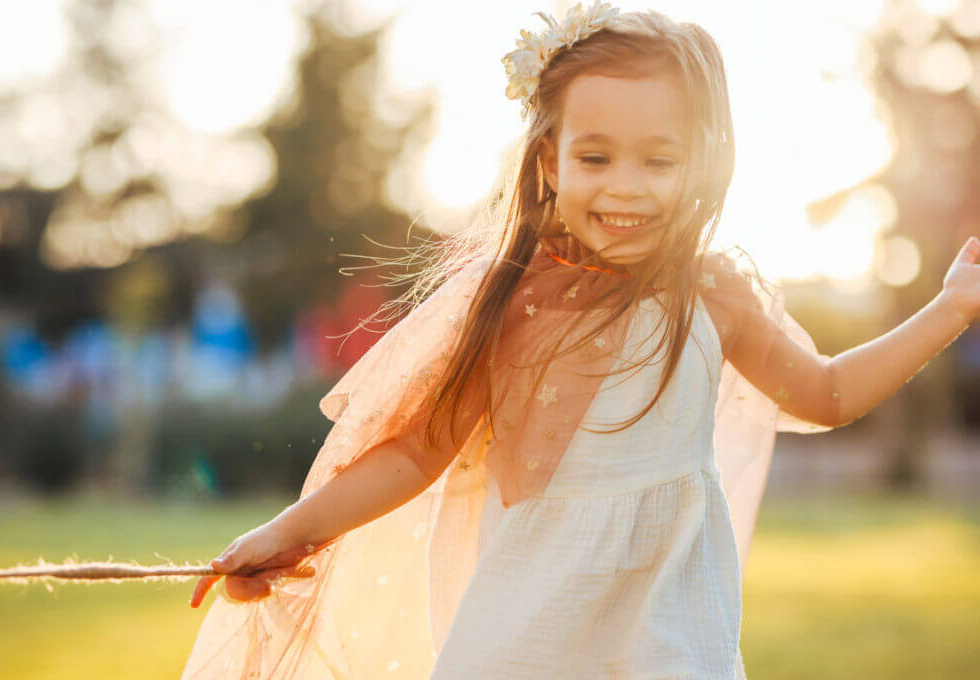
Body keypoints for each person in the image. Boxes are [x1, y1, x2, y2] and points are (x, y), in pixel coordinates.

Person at [180, 4, 979, 678]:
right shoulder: (513, 304)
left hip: (671, 642)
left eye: (658, 160)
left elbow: (827, 392)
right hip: (524, 641)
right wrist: (289, 530)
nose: (625, 186)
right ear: (551, 161)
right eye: (596, 157)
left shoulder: (712, 295)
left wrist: (950, 308)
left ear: (699, 164)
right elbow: (418, 450)